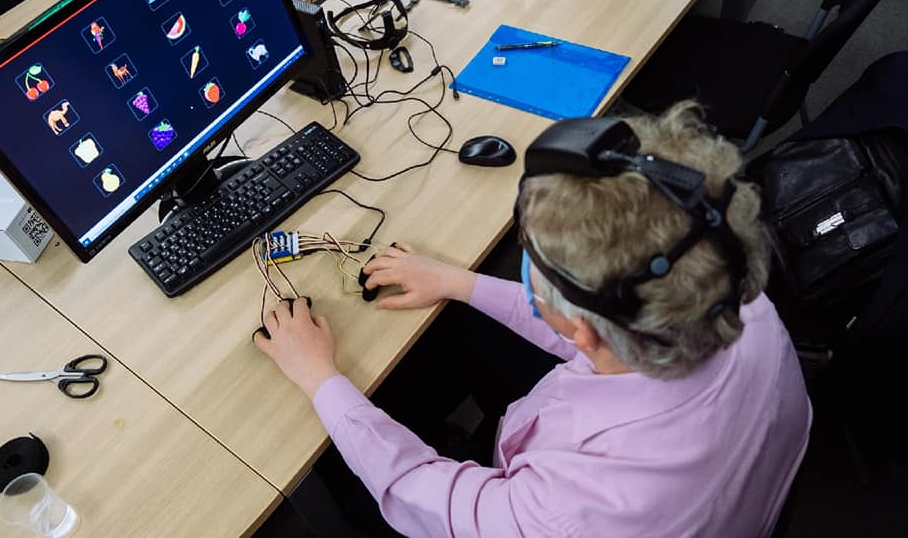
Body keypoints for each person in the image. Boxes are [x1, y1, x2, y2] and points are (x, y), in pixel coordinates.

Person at [252, 103, 812, 537]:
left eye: (535, 262)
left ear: (585, 328)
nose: (526, 264)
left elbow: (418, 491)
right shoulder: (736, 298)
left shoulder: (568, 514)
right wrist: (459, 282)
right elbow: (591, 325)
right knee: (458, 325)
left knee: (348, 498)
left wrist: (320, 378)